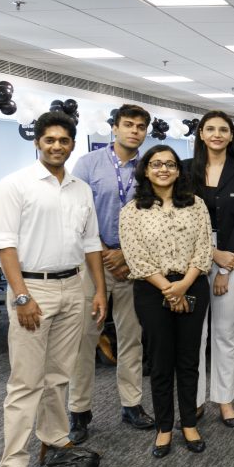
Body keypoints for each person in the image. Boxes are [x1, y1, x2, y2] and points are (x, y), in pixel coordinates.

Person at [0, 111, 107, 467]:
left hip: (73, 285)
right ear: (37, 142)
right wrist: (21, 295)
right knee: (26, 381)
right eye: (50, 139)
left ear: (72, 144)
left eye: (64, 140)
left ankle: (54, 440)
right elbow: (5, 244)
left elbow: (90, 243)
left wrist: (100, 290)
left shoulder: (80, 189)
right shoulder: (15, 185)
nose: (57, 146)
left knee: (58, 376)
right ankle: (14, 465)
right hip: (32, 289)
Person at [68, 103, 154, 444]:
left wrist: (127, 255)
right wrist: (104, 252)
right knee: (84, 339)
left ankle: (131, 404)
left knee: (132, 337)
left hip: (134, 264)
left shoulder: (149, 167)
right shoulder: (88, 164)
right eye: (128, 124)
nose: (135, 131)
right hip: (93, 262)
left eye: (140, 127)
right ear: (114, 128)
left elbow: (154, 217)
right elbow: (77, 214)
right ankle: (79, 411)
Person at [120, 145, 212, 458]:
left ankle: (189, 423)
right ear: (146, 170)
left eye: (170, 164)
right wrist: (169, 289)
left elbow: (204, 249)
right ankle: (163, 427)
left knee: (188, 359)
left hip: (192, 284)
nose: (163, 169)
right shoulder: (132, 211)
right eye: (156, 164)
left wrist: (183, 286)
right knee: (160, 362)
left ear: (178, 171)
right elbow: (136, 257)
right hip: (151, 290)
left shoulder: (196, 204)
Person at [187, 111, 234, 428]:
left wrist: (226, 267)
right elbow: (182, 219)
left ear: (231, 136)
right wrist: (211, 253)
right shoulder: (185, 170)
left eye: (223, 130)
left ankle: (225, 400)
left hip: (232, 257)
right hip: (192, 257)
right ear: (201, 134)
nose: (217, 134)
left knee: (225, 332)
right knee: (195, 333)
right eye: (210, 129)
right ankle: (195, 400)